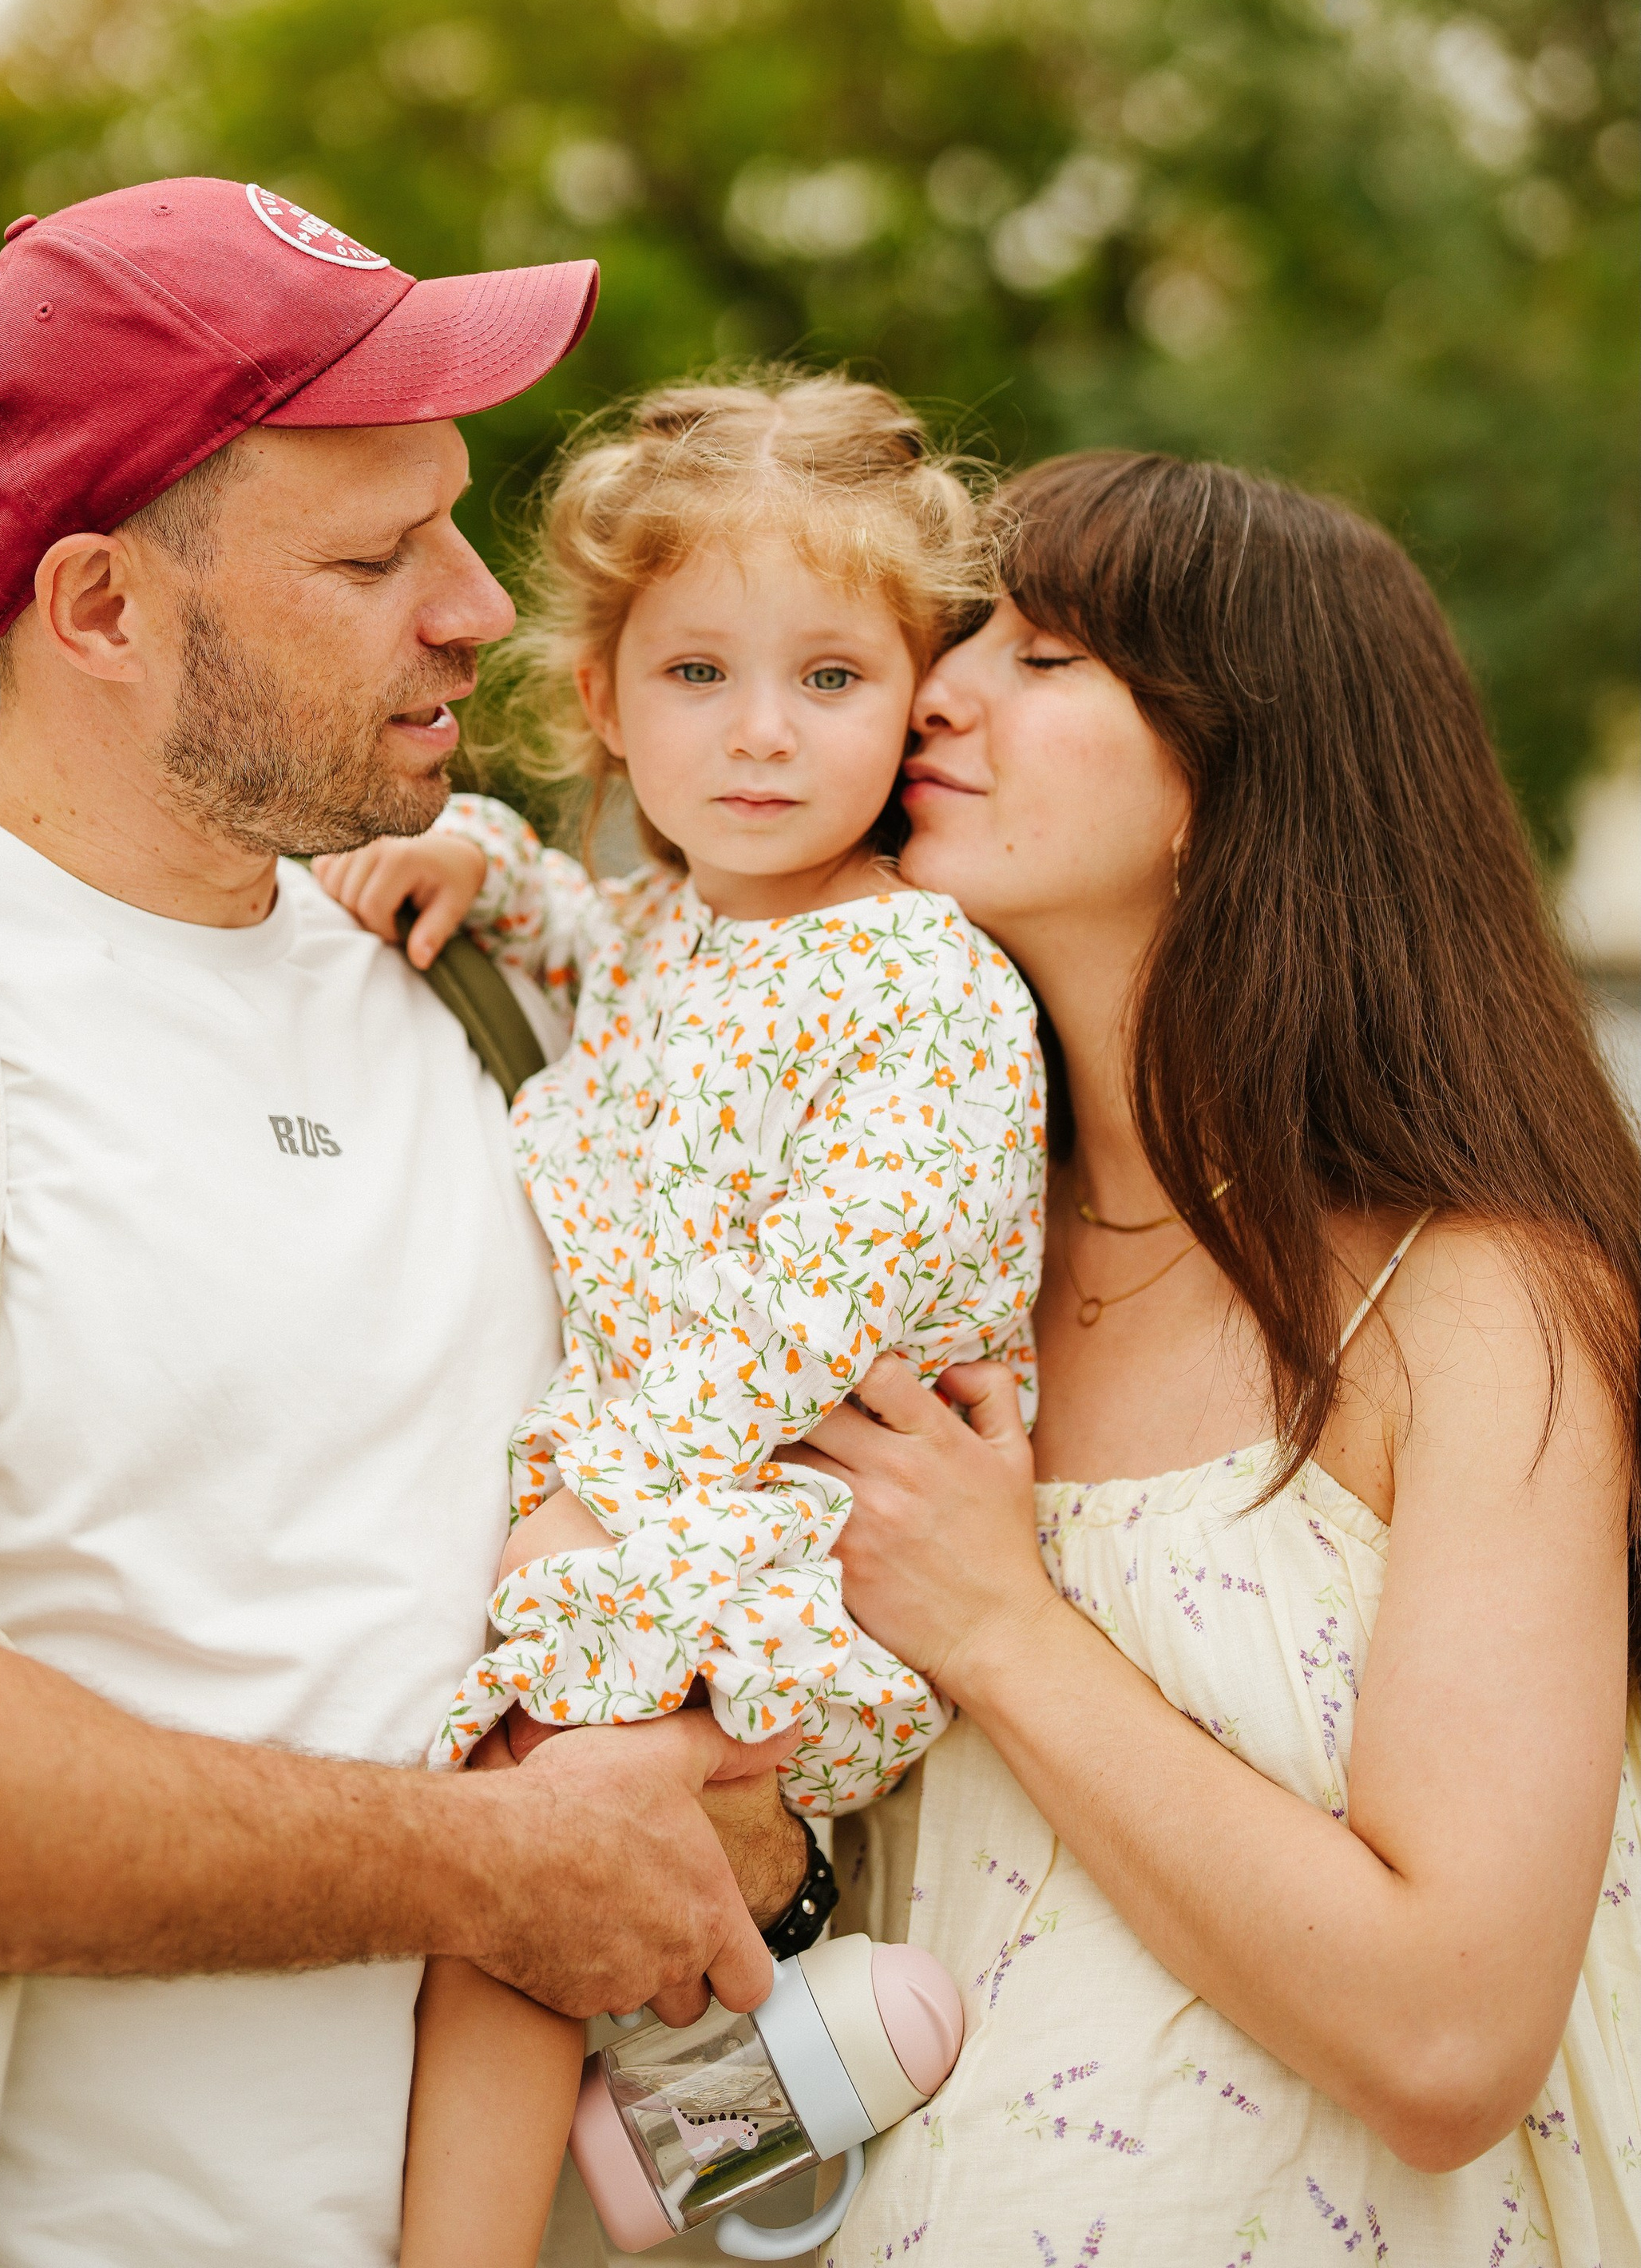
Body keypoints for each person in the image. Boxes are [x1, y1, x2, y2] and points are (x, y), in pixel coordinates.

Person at [0, 176, 799, 2268]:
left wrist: (715, 1798)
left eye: (454, 524)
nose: (477, 610)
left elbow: (698, 1680)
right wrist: (500, 1867)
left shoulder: (495, 1005)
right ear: (98, 610)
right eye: (370, 558)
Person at [790, 450, 1641, 2264]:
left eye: (1043, 657)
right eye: (962, 638)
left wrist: (1000, 1627)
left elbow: (1449, 2036)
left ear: (1236, 774)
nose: (935, 691)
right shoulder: (916, 1264)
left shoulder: (1472, 1305)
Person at [317, 377, 1046, 2268]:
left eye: (828, 679)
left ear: (913, 702)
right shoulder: (662, 923)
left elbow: (815, 1316)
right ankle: (709, 2090)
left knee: (540, 1817)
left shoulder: (921, 985)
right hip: (665, 1514)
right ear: (607, 700)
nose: (758, 733)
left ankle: (486, 2232)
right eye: (697, 675)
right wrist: (479, 859)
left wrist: (587, 1499)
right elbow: (577, 922)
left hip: (789, 1530)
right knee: (521, 1815)